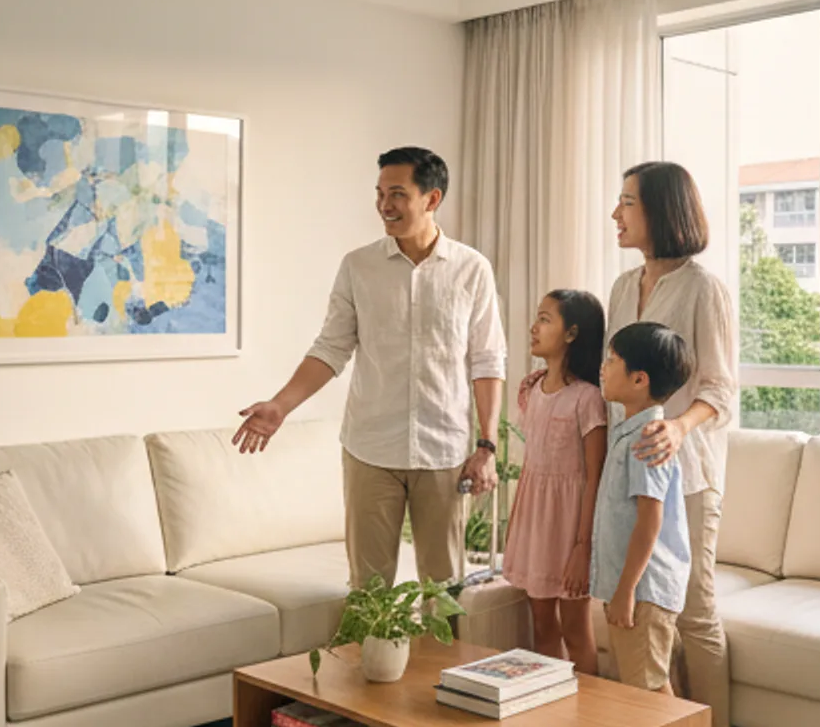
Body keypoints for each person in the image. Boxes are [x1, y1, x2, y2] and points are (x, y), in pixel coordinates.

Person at [233, 147, 505, 590]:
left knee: (445, 591)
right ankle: (369, 663)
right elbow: (331, 348)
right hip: (371, 449)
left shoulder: (472, 270)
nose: (384, 205)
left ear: (431, 199)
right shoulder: (358, 267)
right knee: (369, 590)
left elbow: (487, 360)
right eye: (379, 194)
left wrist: (487, 446)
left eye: (397, 194)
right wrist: (280, 406)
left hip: (443, 450)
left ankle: (438, 663)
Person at [607, 160, 738, 727]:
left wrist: (682, 428)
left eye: (627, 202)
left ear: (660, 211)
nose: (616, 214)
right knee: (647, 610)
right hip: (629, 476)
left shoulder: (702, 290)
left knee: (693, 613)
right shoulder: (620, 285)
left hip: (687, 476)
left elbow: (720, 389)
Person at [503, 290, 608, 674]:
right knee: (542, 625)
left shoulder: (588, 398)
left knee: (576, 629)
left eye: (545, 319)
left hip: (570, 529)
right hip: (534, 524)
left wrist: (583, 546)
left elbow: (594, 477)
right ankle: (549, 711)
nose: (534, 326)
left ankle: (588, 721)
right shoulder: (530, 390)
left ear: (572, 333)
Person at [590, 322, 693, 699]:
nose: (604, 366)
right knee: (645, 682)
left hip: (644, 589)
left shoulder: (648, 440)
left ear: (639, 380)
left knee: (645, 691)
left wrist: (625, 592)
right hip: (634, 586)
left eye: (613, 360)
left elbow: (650, 522)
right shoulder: (628, 430)